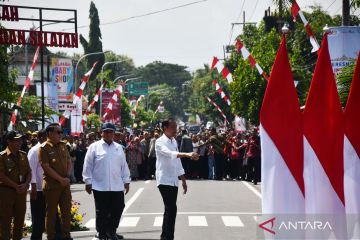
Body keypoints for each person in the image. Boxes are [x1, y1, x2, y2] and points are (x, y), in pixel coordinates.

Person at [83, 123, 131, 240]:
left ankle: (112, 230)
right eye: (106, 131)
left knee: (118, 208)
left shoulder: (119, 148)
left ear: (114, 133)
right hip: (100, 185)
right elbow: (88, 165)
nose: (108, 134)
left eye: (111, 132)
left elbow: (123, 166)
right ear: (101, 133)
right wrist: (88, 181)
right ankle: (102, 233)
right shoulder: (94, 147)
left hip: (117, 185)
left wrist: (126, 180)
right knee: (102, 211)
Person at [155, 118, 199, 240]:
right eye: (173, 127)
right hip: (164, 179)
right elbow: (169, 154)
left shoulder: (174, 141)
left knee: (169, 209)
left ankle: (165, 236)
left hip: (173, 179)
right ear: (165, 128)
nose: (175, 129)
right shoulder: (159, 142)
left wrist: (183, 179)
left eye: (176, 127)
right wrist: (187, 154)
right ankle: (168, 237)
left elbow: (177, 161)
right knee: (171, 208)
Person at [39, 123, 73, 240]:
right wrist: (61, 179)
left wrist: (67, 176)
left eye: (61, 132)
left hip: (64, 185)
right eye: (58, 132)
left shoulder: (63, 145)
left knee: (66, 212)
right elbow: (46, 167)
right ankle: (51, 237)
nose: (60, 134)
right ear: (50, 133)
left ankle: (66, 236)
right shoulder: (43, 148)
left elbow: (69, 160)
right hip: (52, 186)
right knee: (51, 214)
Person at [0, 130, 32, 240]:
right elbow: (1, 175)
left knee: (19, 221)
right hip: (6, 192)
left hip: (21, 192)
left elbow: (29, 172)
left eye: (20, 140)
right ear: (8, 141)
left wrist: (26, 184)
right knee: (5, 221)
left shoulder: (23, 155)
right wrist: (15, 186)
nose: (20, 142)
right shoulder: (2, 156)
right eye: (16, 140)